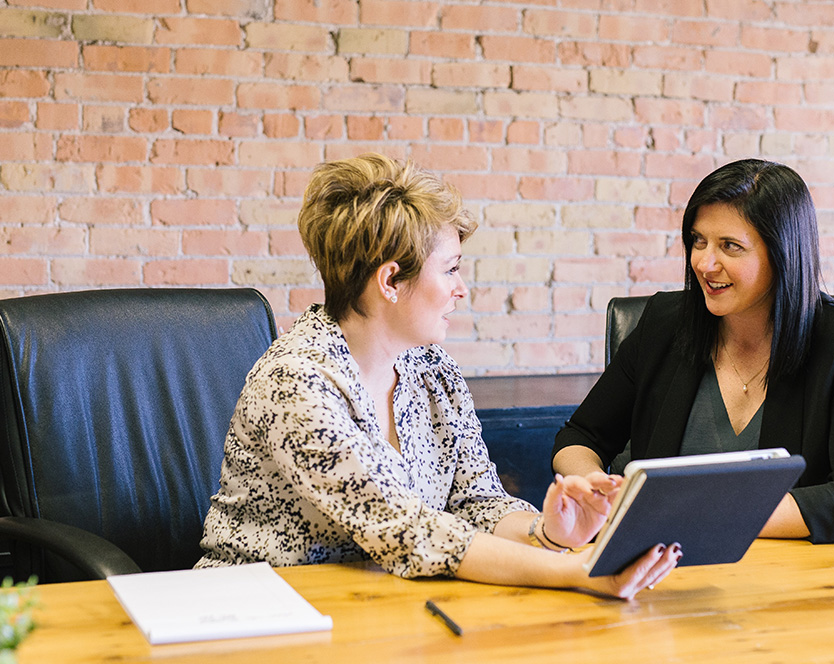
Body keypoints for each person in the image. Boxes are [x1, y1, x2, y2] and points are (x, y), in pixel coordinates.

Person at [195, 154, 680, 599]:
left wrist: (548, 533)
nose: (461, 289)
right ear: (390, 281)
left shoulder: (431, 368)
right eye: (450, 269)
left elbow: (476, 501)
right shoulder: (297, 381)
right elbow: (407, 530)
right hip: (256, 612)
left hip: (380, 606)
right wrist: (578, 572)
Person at [552, 159, 834, 544]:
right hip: (660, 569)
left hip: (793, 575)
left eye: (730, 246)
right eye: (698, 241)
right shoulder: (665, 324)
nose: (704, 262)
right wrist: (591, 486)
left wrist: (696, 515)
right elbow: (580, 436)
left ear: (783, 253)